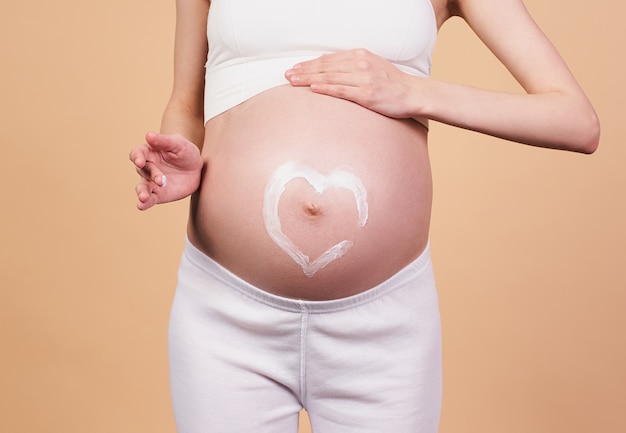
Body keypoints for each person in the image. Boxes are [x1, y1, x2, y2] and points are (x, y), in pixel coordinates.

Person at [129, 0, 600, 432]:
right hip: (226, 315)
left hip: (385, 329)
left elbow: (574, 119)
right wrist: (180, 154)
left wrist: (414, 91)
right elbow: (186, 103)